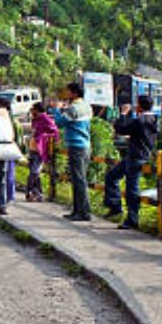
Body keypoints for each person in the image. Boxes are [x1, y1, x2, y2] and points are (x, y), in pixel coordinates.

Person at [107, 95, 159, 230]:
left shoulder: (140, 120)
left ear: (140, 106)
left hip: (136, 156)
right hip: (142, 155)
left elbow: (120, 128)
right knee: (112, 176)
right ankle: (115, 207)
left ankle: (132, 219)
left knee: (132, 188)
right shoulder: (155, 119)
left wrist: (123, 114)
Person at [51, 82, 94, 222]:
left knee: (79, 180)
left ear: (74, 93)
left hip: (76, 146)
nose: (66, 94)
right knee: (78, 179)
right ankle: (77, 210)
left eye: (68, 92)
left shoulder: (74, 108)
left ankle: (84, 212)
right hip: (85, 145)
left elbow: (59, 122)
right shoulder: (86, 106)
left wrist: (57, 109)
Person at [27, 103, 58, 202]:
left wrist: (42, 138)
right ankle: (37, 194)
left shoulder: (46, 119)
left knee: (34, 172)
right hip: (32, 148)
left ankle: (30, 191)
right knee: (35, 173)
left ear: (37, 110)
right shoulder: (34, 119)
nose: (31, 111)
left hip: (40, 150)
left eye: (33, 109)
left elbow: (55, 132)